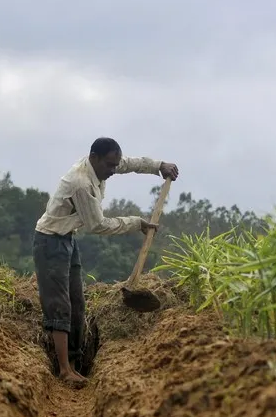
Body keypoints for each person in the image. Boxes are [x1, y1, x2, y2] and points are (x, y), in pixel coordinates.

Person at [33, 137, 179, 387]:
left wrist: (159, 166)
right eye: (110, 166)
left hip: (67, 238)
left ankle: (77, 364)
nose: (113, 171)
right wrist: (136, 223)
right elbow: (97, 225)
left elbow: (130, 163)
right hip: (50, 242)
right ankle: (64, 370)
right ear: (95, 157)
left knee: (77, 302)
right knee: (60, 306)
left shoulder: (101, 166)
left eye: (115, 165)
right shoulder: (81, 183)